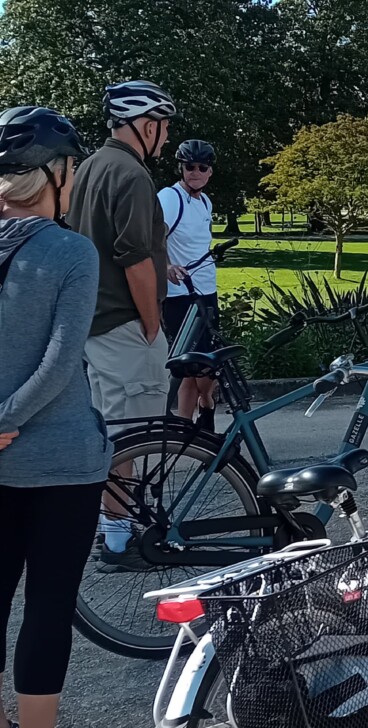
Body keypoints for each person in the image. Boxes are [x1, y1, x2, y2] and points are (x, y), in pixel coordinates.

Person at [0, 106, 110, 728]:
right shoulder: (72, 252)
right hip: (61, 459)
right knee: (47, 605)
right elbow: (61, 363)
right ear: (52, 175)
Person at [65, 79, 177, 571]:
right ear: (145, 124)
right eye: (164, 126)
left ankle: (115, 532)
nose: (168, 137)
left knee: (111, 433)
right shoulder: (131, 175)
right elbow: (134, 257)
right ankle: (117, 541)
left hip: (92, 323)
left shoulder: (88, 167)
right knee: (134, 436)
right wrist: (152, 323)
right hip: (124, 325)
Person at [160, 139, 217, 430]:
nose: (195, 172)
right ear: (181, 169)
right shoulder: (171, 198)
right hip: (180, 295)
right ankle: (197, 415)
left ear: (209, 172)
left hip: (207, 290)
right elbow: (155, 236)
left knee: (199, 364)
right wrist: (166, 265)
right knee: (194, 363)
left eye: (201, 167)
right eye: (189, 166)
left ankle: (195, 416)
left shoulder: (204, 201)